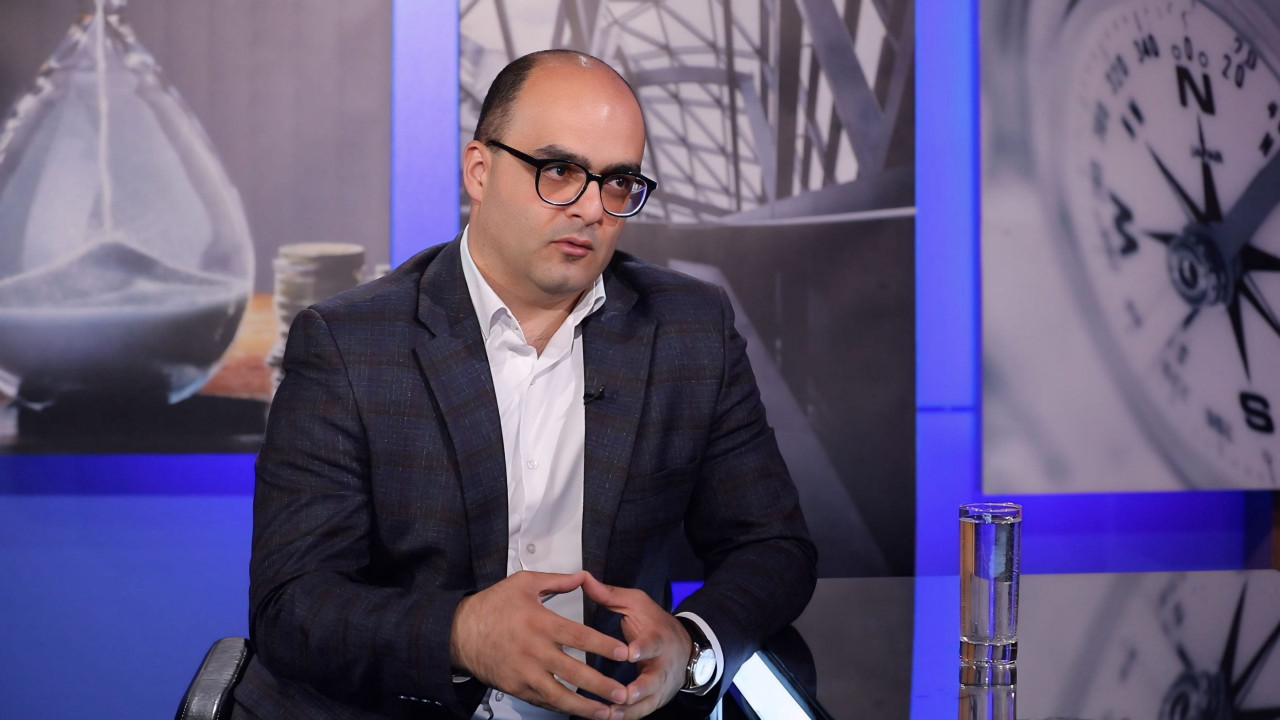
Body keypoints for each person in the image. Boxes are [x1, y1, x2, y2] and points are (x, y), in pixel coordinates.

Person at [233, 49, 816, 720]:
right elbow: (292, 604)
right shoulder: (348, 343)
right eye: (560, 171)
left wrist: (692, 644)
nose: (592, 208)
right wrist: (460, 634)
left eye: (618, 182)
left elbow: (773, 547)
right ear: (479, 171)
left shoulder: (690, 328)